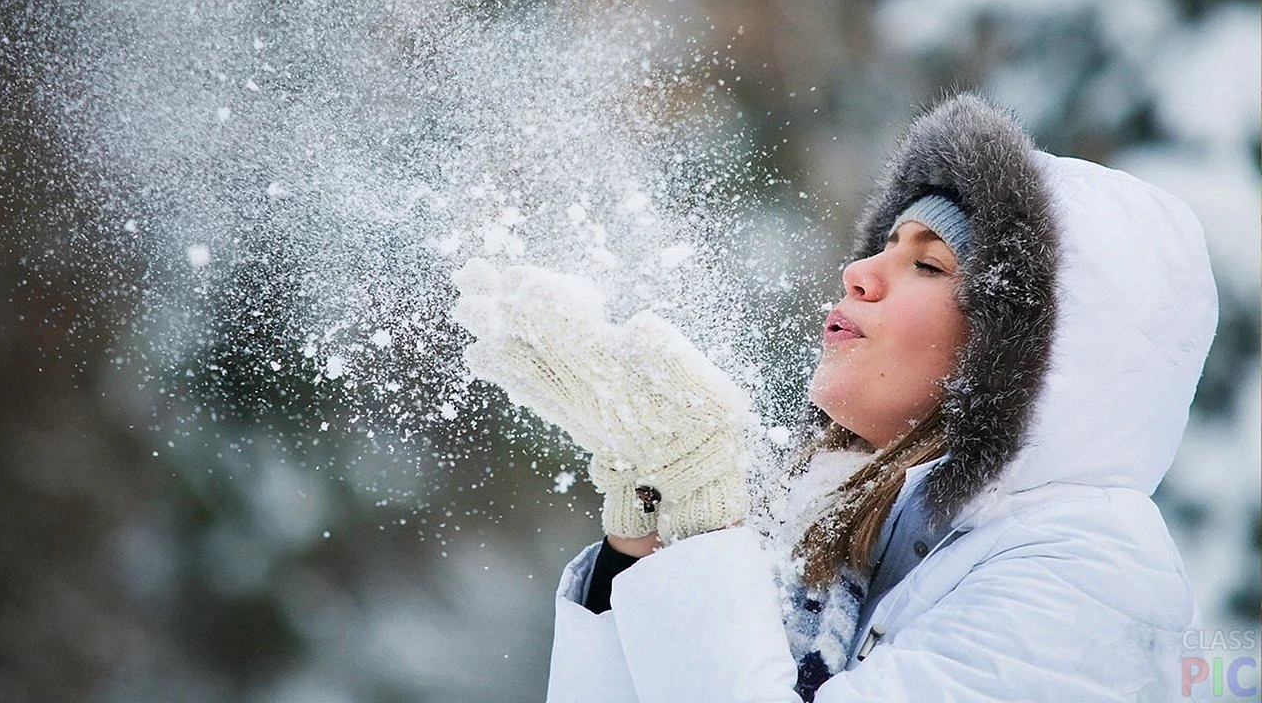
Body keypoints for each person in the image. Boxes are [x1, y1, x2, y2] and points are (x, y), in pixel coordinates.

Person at [452, 94, 1218, 702]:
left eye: (929, 265)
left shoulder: (1088, 577)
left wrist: (704, 517)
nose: (861, 270)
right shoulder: (852, 527)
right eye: (885, 242)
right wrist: (648, 534)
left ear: (1021, 354)